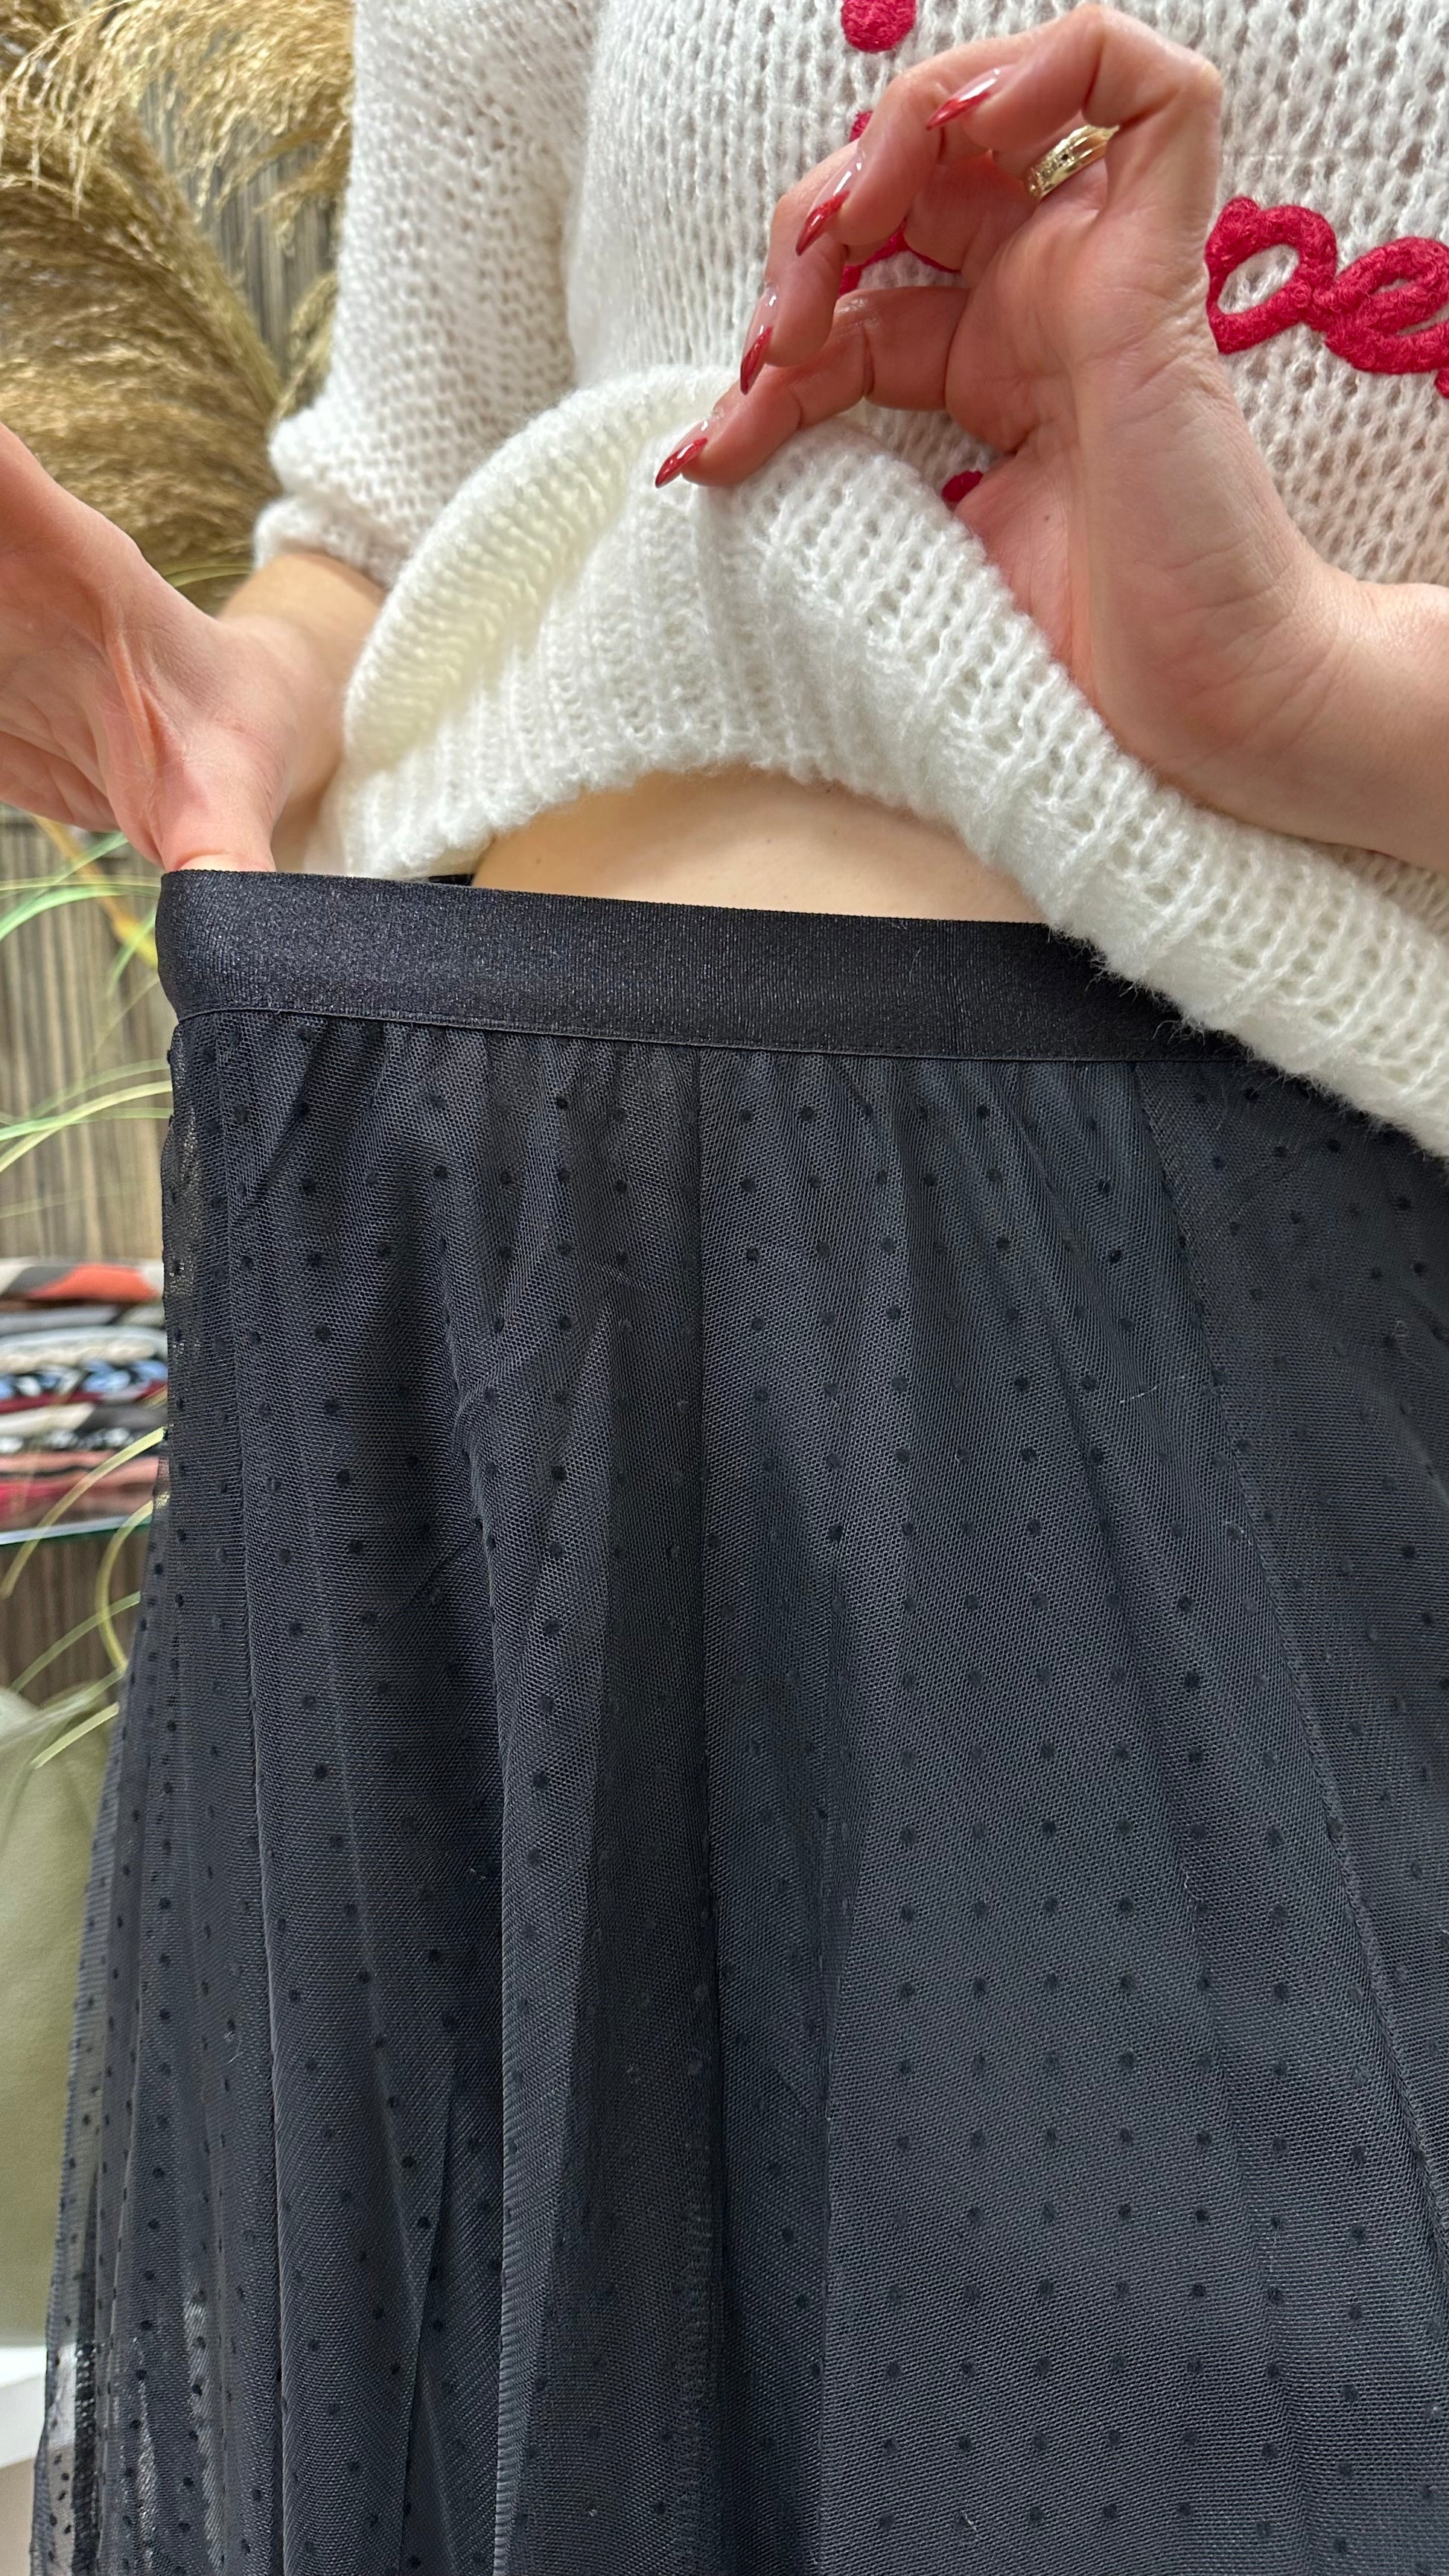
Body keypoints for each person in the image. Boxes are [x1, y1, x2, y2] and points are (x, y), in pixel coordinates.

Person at [11, 2, 1449, 2570]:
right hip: (492, 1294)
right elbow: (395, 512)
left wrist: (1301, 688)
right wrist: (227, 698)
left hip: (1249, 1337)